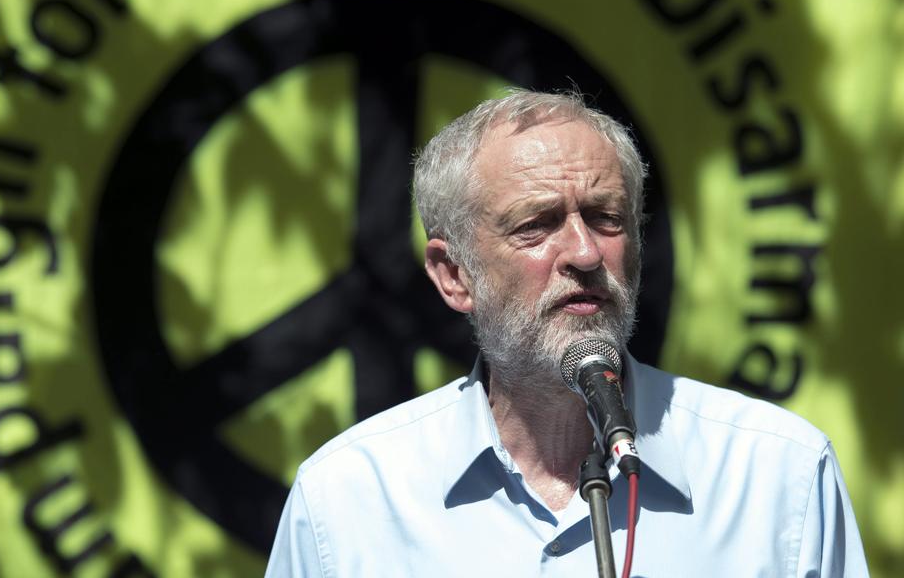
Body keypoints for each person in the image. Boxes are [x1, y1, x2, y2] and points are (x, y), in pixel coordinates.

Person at [264, 90, 868, 576]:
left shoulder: (778, 475)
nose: (583, 252)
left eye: (606, 219)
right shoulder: (347, 501)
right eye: (537, 225)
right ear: (454, 276)